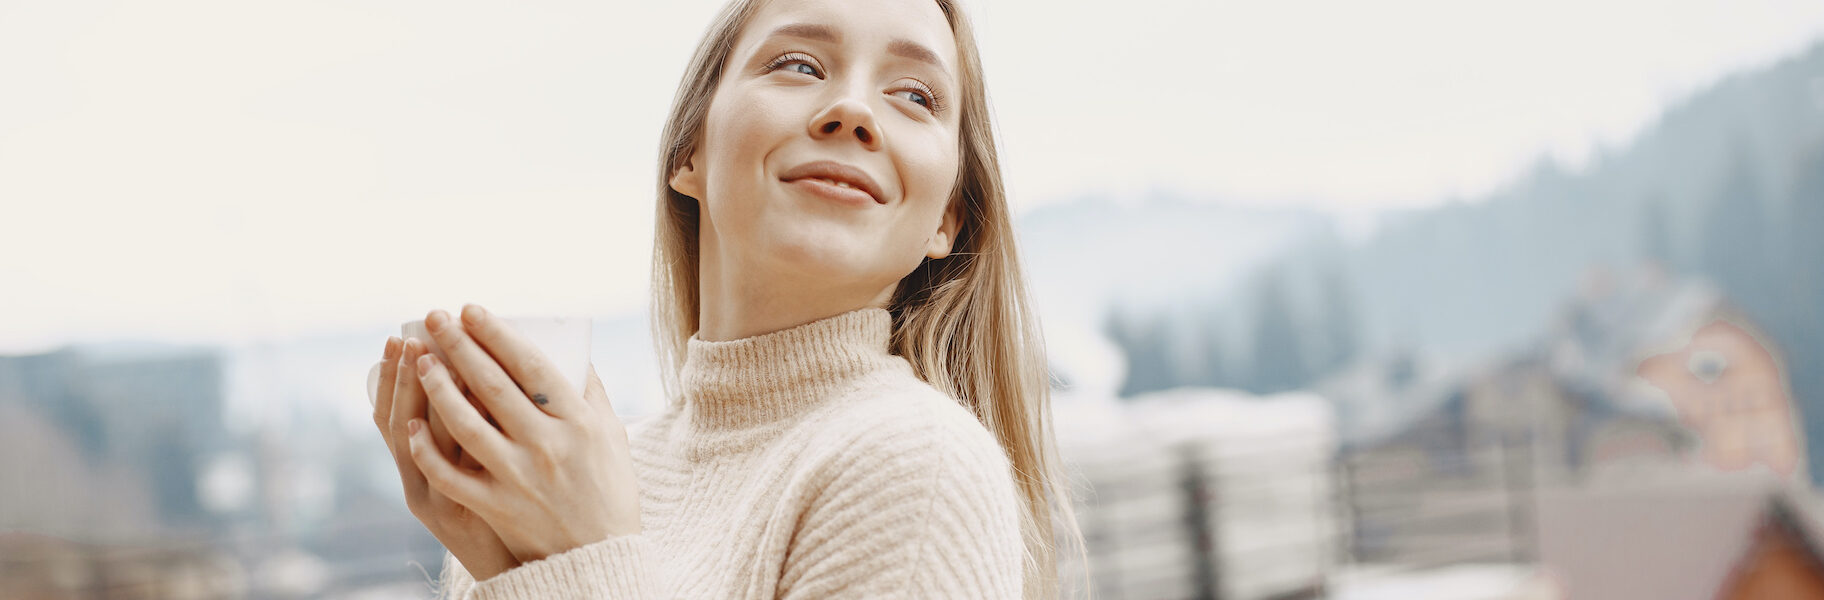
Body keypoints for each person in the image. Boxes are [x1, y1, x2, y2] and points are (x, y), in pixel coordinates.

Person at [370, 0, 1081, 597]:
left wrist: (580, 559)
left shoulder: (915, 463)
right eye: (799, 65)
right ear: (690, 152)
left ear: (945, 220)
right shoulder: (571, 478)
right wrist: (502, 564)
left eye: (916, 96)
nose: (852, 109)